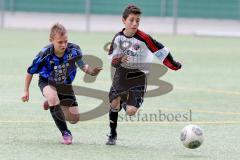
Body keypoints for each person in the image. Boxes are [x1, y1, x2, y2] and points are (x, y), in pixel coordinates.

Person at [106, 5, 182, 145]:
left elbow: (161, 50)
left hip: (139, 75)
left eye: (137, 21)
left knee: (130, 111)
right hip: (122, 73)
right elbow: (111, 56)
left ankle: (125, 99)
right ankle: (112, 134)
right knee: (114, 103)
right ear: (124, 21)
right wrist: (117, 60)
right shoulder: (118, 38)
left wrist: (173, 64)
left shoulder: (144, 38)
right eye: (131, 20)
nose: (134, 23)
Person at [21, 23, 102, 145]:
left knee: (74, 119)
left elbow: (82, 65)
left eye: (65, 41)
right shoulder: (44, 54)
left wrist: (91, 72)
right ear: (51, 40)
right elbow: (30, 72)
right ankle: (65, 133)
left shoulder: (73, 51)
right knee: (53, 98)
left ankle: (52, 102)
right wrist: (26, 90)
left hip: (65, 85)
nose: (64, 45)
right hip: (47, 82)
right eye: (60, 42)